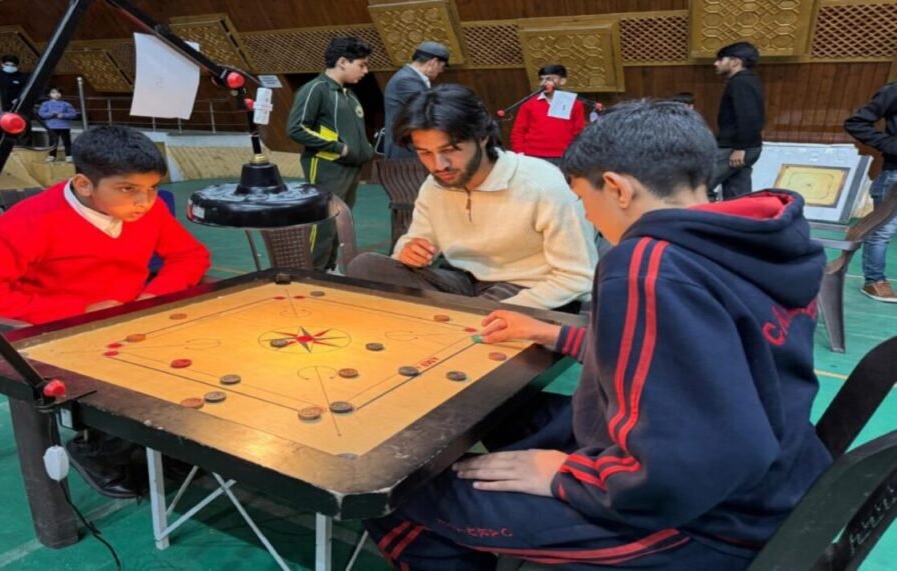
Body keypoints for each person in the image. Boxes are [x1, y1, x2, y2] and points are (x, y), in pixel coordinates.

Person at [363, 100, 831, 569]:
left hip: (698, 524)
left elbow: (689, 464)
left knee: (390, 496)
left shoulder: (647, 266)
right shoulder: (752, 235)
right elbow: (698, 366)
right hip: (778, 481)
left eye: (584, 201)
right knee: (508, 410)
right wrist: (552, 334)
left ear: (617, 188)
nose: (586, 217)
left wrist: (568, 475)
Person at [0, 125, 211, 497]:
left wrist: (153, 295)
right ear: (84, 185)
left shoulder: (148, 211)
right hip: (55, 327)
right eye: (129, 189)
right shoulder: (32, 221)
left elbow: (190, 256)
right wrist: (78, 310)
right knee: (125, 369)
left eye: (153, 188)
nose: (145, 202)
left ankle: (171, 442)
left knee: (204, 351)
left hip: (126, 318)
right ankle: (97, 448)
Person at [346, 84, 596, 311]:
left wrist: (492, 311)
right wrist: (408, 251)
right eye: (425, 153)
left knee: (469, 319)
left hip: (527, 289)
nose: (438, 165)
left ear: (482, 136)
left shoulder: (541, 182)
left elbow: (578, 277)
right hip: (463, 283)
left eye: (450, 150)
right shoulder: (435, 185)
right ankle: (457, 317)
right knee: (365, 267)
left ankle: (456, 318)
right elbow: (416, 240)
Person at [286, 36, 375, 270]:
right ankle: (310, 272)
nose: (365, 71)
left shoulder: (348, 94)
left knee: (339, 223)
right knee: (322, 224)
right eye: (362, 64)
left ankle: (328, 267)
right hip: (327, 168)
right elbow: (296, 129)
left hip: (351, 169)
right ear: (343, 61)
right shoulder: (316, 89)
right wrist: (340, 148)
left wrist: (362, 150)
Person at [844, 81, 897, 303]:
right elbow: (856, 123)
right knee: (881, 229)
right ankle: (874, 280)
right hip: (895, 173)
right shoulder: (893, 91)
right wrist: (891, 145)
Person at [709, 41, 765, 201]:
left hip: (735, 148)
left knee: (699, 187)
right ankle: (740, 223)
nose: (716, 63)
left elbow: (749, 116)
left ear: (735, 61)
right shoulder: (748, 81)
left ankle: (702, 222)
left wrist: (740, 148)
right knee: (737, 193)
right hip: (746, 147)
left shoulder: (741, 82)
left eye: (720, 59)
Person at [381, 41, 449, 158]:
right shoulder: (406, 80)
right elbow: (429, 108)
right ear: (433, 62)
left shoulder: (410, 77)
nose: (441, 71)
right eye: (441, 67)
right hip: (404, 150)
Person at [509, 64, 586, 167]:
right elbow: (518, 131)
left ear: (562, 81)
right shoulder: (529, 104)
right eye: (542, 79)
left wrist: (576, 153)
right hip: (533, 154)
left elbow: (578, 131)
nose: (545, 83)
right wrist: (520, 152)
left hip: (563, 154)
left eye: (550, 79)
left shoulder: (575, 104)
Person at [38, 86, 77, 163]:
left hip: (64, 126)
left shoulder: (66, 104)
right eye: (53, 92)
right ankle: (52, 156)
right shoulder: (45, 104)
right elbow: (41, 114)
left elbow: (73, 114)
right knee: (52, 142)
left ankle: (69, 156)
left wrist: (64, 115)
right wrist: (51, 114)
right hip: (52, 126)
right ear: (49, 94)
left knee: (67, 142)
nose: (56, 94)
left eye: (58, 92)